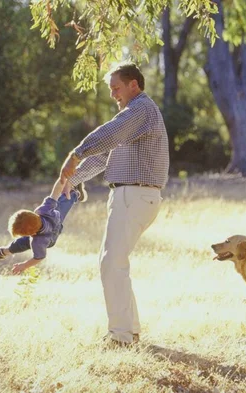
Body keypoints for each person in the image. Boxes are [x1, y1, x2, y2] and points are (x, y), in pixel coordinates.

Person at [59, 62, 169, 346]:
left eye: (116, 88)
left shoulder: (140, 109)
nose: (113, 95)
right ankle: (129, 331)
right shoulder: (133, 120)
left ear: (134, 85)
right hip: (129, 195)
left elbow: (108, 133)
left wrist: (75, 154)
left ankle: (121, 337)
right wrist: (74, 177)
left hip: (134, 195)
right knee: (114, 263)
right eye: (110, 90)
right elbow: (105, 154)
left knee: (111, 263)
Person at [0, 178, 87, 274]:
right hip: (54, 218)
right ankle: (76, 193)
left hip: (50, 238)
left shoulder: (37, 242)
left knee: (21, 243)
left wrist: (23, 266)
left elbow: (38, 257)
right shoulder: (43, 210)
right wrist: (62, 179)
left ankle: (4, 252)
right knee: (63, 201)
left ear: (32, 234)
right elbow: (55, 191)